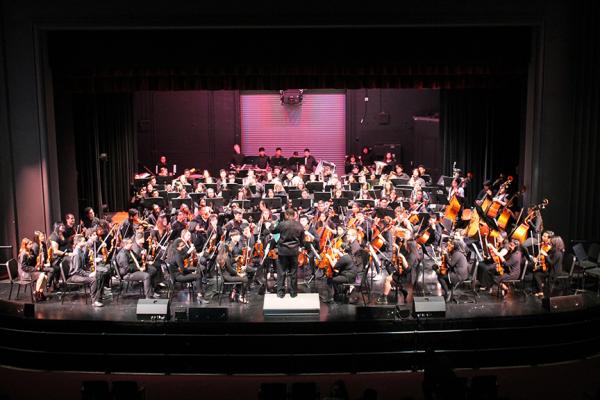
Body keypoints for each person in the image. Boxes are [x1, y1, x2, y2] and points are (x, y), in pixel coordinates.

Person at [269, 207, 304, 298]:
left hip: (283, 252)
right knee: (293, 272)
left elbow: (273, 231)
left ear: (287, 215)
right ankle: (293, 293)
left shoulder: (282, 224)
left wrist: (272, 224)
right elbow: (302, 240)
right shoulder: (299, 225)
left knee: (281, 272)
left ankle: (280, 293)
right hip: (294, 252)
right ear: (294, 215)